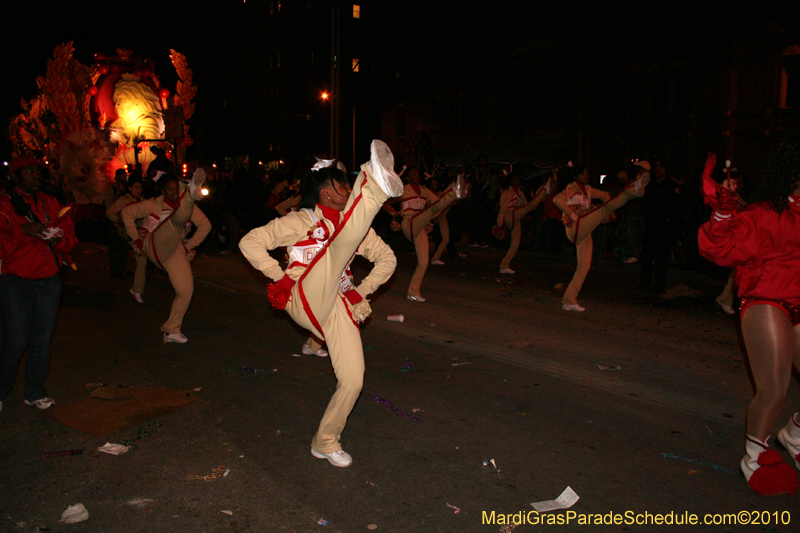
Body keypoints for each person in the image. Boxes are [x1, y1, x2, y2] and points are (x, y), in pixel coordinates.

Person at [239, 140, 402, 468]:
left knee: (354, 379)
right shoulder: (299, 222)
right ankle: (373, 184)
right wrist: (280, 277)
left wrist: (361, 291)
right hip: (301, 295)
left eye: (348, 182)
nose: (344, 187)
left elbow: (387, 258)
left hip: (336, 303)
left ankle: (324, 441)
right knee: (337, 247)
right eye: (341, 183)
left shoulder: (353, 229)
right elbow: (249, 242)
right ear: (324, 193)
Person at [698, 148, 800, 496]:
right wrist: (724, 214)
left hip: (798, 299)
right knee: (774, 387)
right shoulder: (764, 214)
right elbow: (719, 250)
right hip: (767, 299)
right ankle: (755, 456)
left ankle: (794, 435)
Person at [0, 155, 77, 412]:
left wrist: (59, 238)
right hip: (16, 280)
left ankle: (35, 391)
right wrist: (22, 231)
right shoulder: (4, 204)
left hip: (48, 278)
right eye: (29, 171)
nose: (35, 175)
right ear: (16, 176)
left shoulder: (51, 202)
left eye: (37, 171)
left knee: (42, 339)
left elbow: (69, 235)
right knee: (16, 340)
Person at [121, 171, 211, 343]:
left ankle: (171, 329)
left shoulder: (187, 208)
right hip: (153, 243)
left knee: (186, 290)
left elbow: (206, 225)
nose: (174, 192)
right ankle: (192, 193)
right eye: (170, 189)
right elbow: (126, 213)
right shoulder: (154, 203)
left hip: (173, 250)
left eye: (176, 189)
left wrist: (189, 246)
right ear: (162, 190)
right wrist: (137, 239)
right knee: (176, 222)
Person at [554, 163, 649, 311]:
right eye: (584, 173)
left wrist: (605, 210)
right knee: (605, 209)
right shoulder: (570, 189)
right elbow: (556, 200)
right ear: (576, 176)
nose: (587, 176)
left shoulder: (589, 190)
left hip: (584, 230)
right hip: (575, 227)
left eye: (587, 173)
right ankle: (633, 191)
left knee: (584, 266)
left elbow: (605, 196)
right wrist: (573, 214)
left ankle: (569, 299)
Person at [385, 167, 466, 302]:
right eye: (413, 173)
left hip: (420, 225)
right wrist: (395, 214)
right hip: (408, 222)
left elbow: (438, 201)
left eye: (417, 173)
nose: (417, 174)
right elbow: (385, 203)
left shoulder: (424, 190)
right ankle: (454, 191)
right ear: (408, 178)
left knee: (424, 262)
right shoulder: (403, 189)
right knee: (430, 210)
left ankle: (413, 292)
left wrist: (449, 198)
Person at [494, 172, 552, 274]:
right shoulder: (507, 193)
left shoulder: (520, 193)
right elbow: (502, 210)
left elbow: (530, 206)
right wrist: (499, 225)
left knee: (515, 243)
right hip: (510, 215)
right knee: (528, 206)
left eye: (518, 178)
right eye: (515, 178)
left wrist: (539, 200)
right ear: (510, 180)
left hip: (516, 217)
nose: (518, 180)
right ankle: (543, 189)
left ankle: (504, 265)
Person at [638, 160, 681, 295]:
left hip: (664, 226)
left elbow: (675, 207)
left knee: (661, 258)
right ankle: (645, 282)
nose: (658, 169)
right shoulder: (650, 185)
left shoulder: (671, 186)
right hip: (651, 224)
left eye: (661, 167)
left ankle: (659, 285)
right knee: (646, 255)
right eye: (656, 167)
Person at [107, 175, 147, 303]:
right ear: (129, 188)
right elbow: (109, 213)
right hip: (126, 230)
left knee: (142, 258)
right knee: (140, 256)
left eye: (140, 187)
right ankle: (137, 289)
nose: (138, 190)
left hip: (139, 231)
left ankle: (137, 288)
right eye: (136, 187)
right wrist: (118, 220)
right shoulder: (124, 200)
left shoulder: (143, 201)